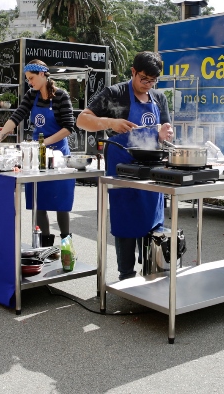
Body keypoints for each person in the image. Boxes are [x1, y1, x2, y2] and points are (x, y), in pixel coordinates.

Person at [76, 51, 173, 280]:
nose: (148, 85)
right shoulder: (115, 94)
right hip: (122, 170)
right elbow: (82, 119)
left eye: (153, 80)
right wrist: (110, 122)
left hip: (151, 171)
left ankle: (153, 273)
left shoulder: (159, 98)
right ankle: (126, 276)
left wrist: (166, 132)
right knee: (126, 222)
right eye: (143, 79)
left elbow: (167, 130)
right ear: (133, 72)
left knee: (153, 222)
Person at [0, 59, 76, 247]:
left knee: (60, 202)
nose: (30, 82)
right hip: (36, 157)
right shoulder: (31, 95)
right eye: (27, 79)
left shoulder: (61, 96)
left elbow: (68, 127)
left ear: (42, 74)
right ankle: (45, 248)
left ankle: (66, 246)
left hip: (58, 155)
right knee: (38, 201)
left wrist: (43, 143)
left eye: (31, 78)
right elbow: (17, 116)